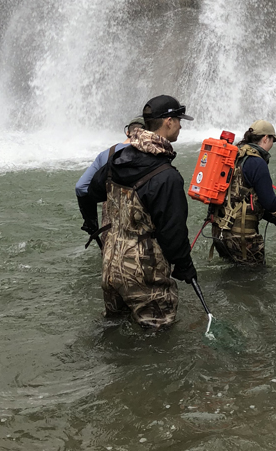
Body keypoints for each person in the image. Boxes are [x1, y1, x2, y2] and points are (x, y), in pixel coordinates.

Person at [87, 94, 197, 329]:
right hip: (144, 274)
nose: (180, 126)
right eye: (179, 120)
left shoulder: (117, 159)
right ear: (168, 122)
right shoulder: (167, 176)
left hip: (110, 266)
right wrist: (185, 266)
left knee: (115, 331)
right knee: (158, 338)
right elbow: (172, 233)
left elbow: (92, 191)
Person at [209, 120, 276, 266]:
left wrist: (275, 220)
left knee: (234, 273)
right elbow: (269, 202)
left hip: (219, 232)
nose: (272, 145)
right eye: (272, 141)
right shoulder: (257, 162)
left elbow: (244, 199)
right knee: (256, 276)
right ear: (265, 138)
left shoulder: (235, 155)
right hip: (242, 238)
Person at [75, 115, 146, 248]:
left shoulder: (105, 154)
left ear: (127, 132)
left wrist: (91, 221)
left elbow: (81, 187)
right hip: (141, 230)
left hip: (110, 227)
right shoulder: (150, 155)